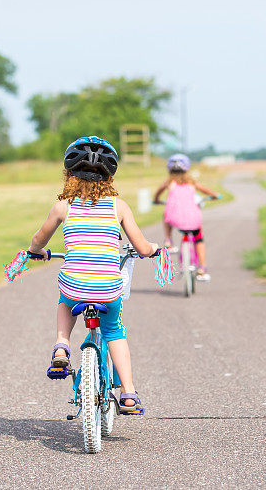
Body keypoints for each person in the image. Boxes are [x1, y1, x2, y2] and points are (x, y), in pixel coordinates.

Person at [27, 136, 158, 414]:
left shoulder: (63, 207)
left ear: (69, 174)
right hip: (108, 288)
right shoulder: (118, 207)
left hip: (75, 286)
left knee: (65, 301)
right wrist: (154, 249)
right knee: (114, 331)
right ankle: (129, 393)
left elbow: (40, 238)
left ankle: (61, 347)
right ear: (109, 176)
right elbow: (142, 248)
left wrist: (34, 250)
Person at [153, 153, 220, 282]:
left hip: (174, 218)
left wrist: (156, 200)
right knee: (199, 237)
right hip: (192, 219)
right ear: (187, 168)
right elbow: (206, 191)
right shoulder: (192, 182)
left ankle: (168, 239)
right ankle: (202, 267)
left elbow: (158, 193)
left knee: (166, 215)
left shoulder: (169, 182)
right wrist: (215, 195)